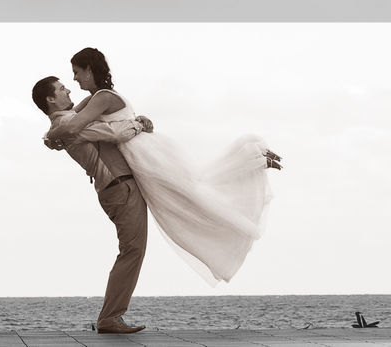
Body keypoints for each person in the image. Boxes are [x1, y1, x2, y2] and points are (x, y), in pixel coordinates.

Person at [45, 47, 281, 288]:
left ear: (89, 69)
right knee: (190, 194)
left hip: (145, 154)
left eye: (76, 72)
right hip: (139, 154)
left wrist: (50, 137)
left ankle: (253, 158)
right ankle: (253, 160)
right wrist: (54, 137)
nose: (74, 79)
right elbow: (66, 119)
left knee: (194, 191)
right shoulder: (93, 99)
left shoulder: (102, 98)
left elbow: (73, 126)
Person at [33, 75, 152, 334]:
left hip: (115, 188)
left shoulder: (63, 122)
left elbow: (88, 104)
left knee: (132, 250)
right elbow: (114, 133)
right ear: (51, 99)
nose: (68, 89)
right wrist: (139, 124)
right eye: (62, 89)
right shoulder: (68, 124)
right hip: (119, 187)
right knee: (132, 250)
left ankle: (111, 316)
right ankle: (110, 318)